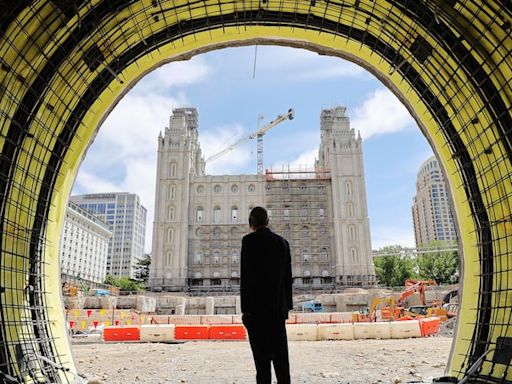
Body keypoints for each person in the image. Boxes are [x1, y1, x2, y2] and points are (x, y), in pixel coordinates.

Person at [240, 206, 293, 384]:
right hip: (277, 312)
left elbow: (247, 278)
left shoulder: (248, 242)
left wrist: (246, 310)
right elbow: (287, 279)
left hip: (256, 314)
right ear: (267, 222)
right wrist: (286, 309)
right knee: (281, 363)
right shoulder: (282, 243)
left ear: (251, 223)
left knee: (262, 366)